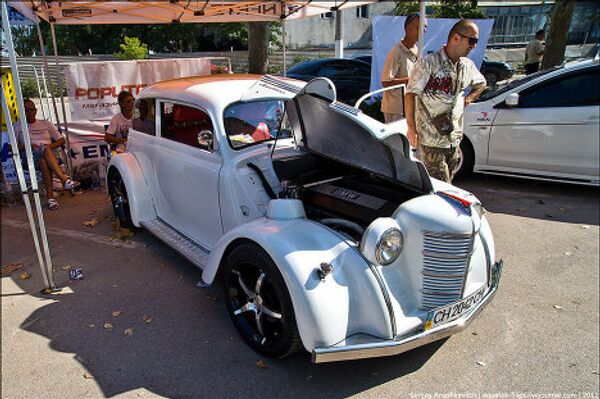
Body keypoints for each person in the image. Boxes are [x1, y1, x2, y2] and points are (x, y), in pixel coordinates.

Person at [405, 19, 487, 183]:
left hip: (454, 138)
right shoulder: (428, 63)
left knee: (447, 182)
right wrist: (412, 128)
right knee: (441, 186)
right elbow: (410, 94)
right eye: (472, 41)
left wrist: (467, 100)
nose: (474, 46)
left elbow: (481, 85)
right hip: (431, 138)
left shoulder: (467, 65)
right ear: (456, 38)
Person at [14, 99, 79, 210]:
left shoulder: (45, 123)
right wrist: (27, 147)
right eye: (26, 110)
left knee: (44, 160)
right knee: (45, 151)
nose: (29, 113)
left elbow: (61, 140)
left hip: (47, 157)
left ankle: (51, 199)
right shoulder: (17, 126)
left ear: (36, 110)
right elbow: (12, 146)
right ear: (22, 112)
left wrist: (48, 147)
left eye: (31, 110)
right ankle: (64, 180)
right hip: (29, 158)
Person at [380, 12, 426, 123]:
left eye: (425, 27)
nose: (424, 30)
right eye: (420, 27)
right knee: (397, 141)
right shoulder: (396, 51)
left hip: (411, 108)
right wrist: (411, 80)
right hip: (396, 110)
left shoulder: (418, 51)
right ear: (408, 29)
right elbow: (385, 82)